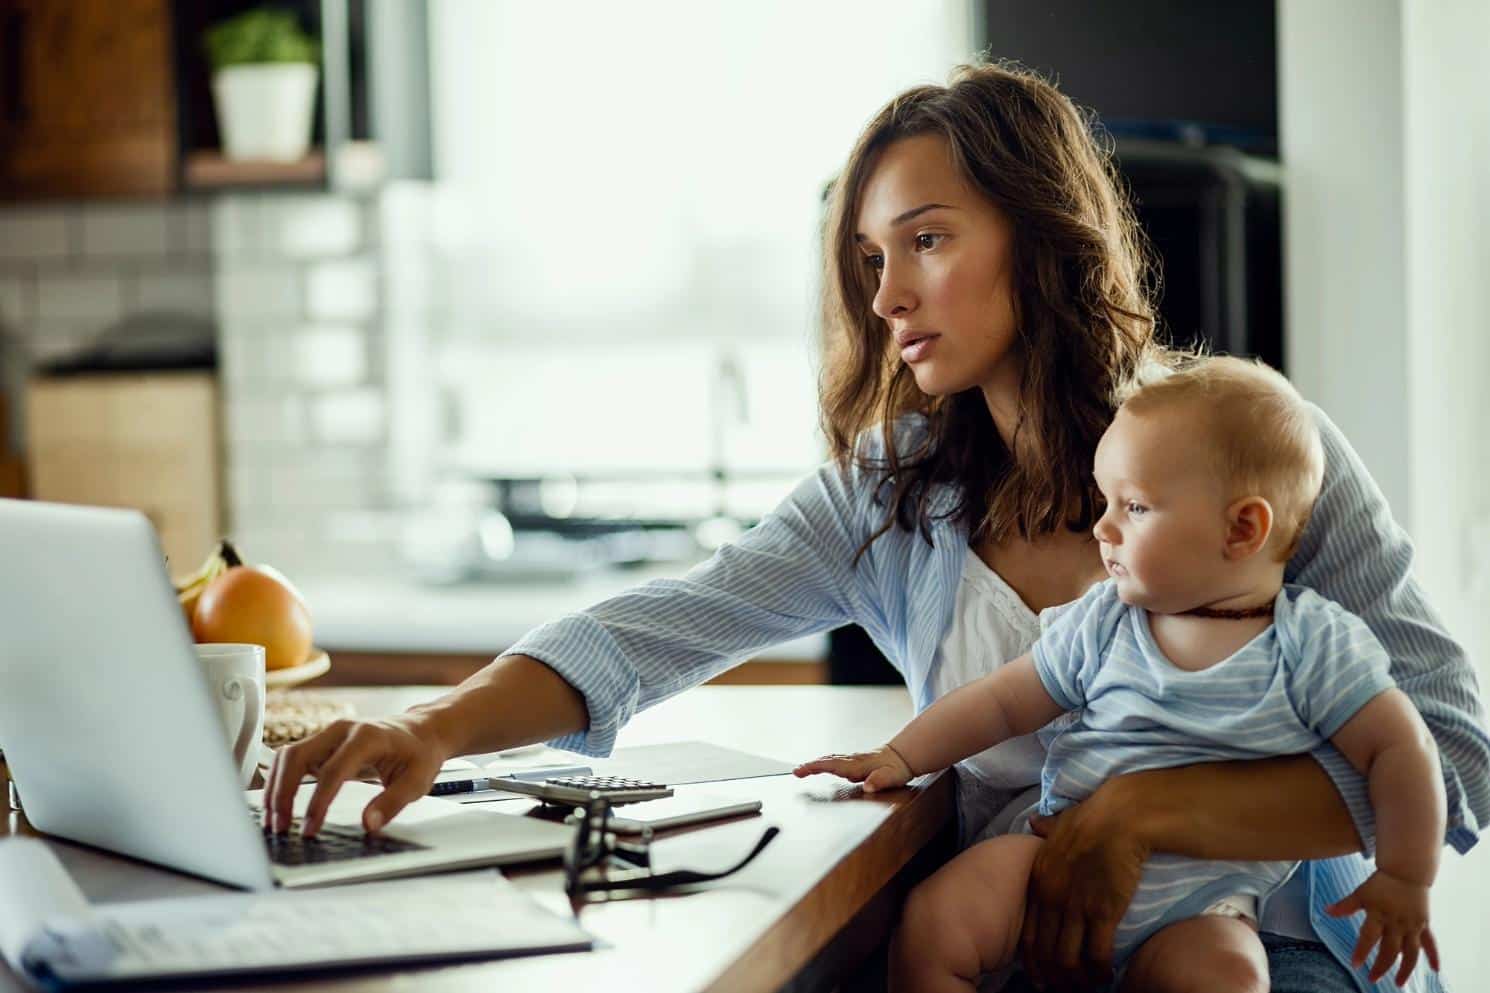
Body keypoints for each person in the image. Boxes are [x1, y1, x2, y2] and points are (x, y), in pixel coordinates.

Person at [264, 61, 1489, 993]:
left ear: (1044, 235)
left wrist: (1141, 814)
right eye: (867, 256)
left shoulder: (1254, 459)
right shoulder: (893, 489)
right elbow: (656, 628)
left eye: (927, 240)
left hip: (1289, 960)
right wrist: (432, 726)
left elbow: (1455, 765)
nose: (886, 295)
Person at [796, 356, 1446, 993]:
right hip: (1053, 861)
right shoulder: (1106, 620)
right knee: (938, 918)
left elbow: (1404, 748)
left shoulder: (1311, 643)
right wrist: (898, 754)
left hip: (1204, 903)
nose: (1102, 527)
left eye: (1133, 507)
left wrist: (1405, 877)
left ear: (1241, 528)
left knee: (1232, 975)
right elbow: (999, 703)